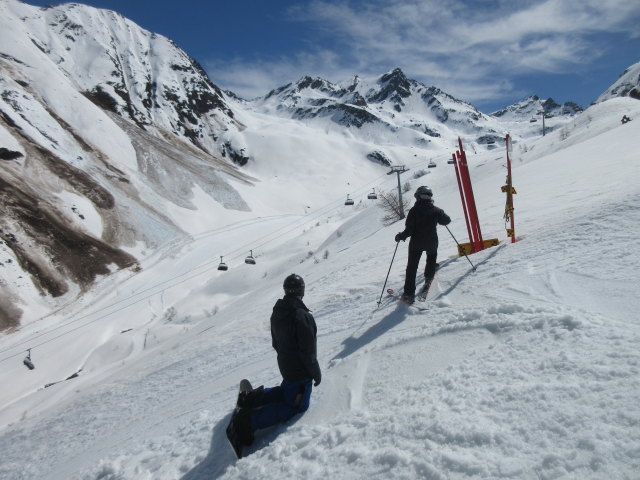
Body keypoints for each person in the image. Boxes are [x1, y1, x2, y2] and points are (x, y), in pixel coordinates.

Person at [233, 273, 321, 446]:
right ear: (302, 291)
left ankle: (252, 398)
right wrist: (315, 373)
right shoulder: (302, 316)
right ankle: (249, 421)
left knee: (285, 392)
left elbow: (276, 342)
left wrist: (286, 357)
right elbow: (308, 351)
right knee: (294, 407)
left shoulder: (278, 311)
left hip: (286, 366)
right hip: (300, 372)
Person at [395, 186, 451, 303]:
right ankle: (429, 278)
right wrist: (438, 216)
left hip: (416, 243)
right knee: (431, 260)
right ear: (430, 197)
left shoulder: (414, 211)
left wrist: (401, 236)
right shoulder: (436, 210)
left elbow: (409, 230)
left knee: (412, 267)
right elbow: (446, 221)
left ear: (417, 196)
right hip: (432, 242)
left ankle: (409, 294)